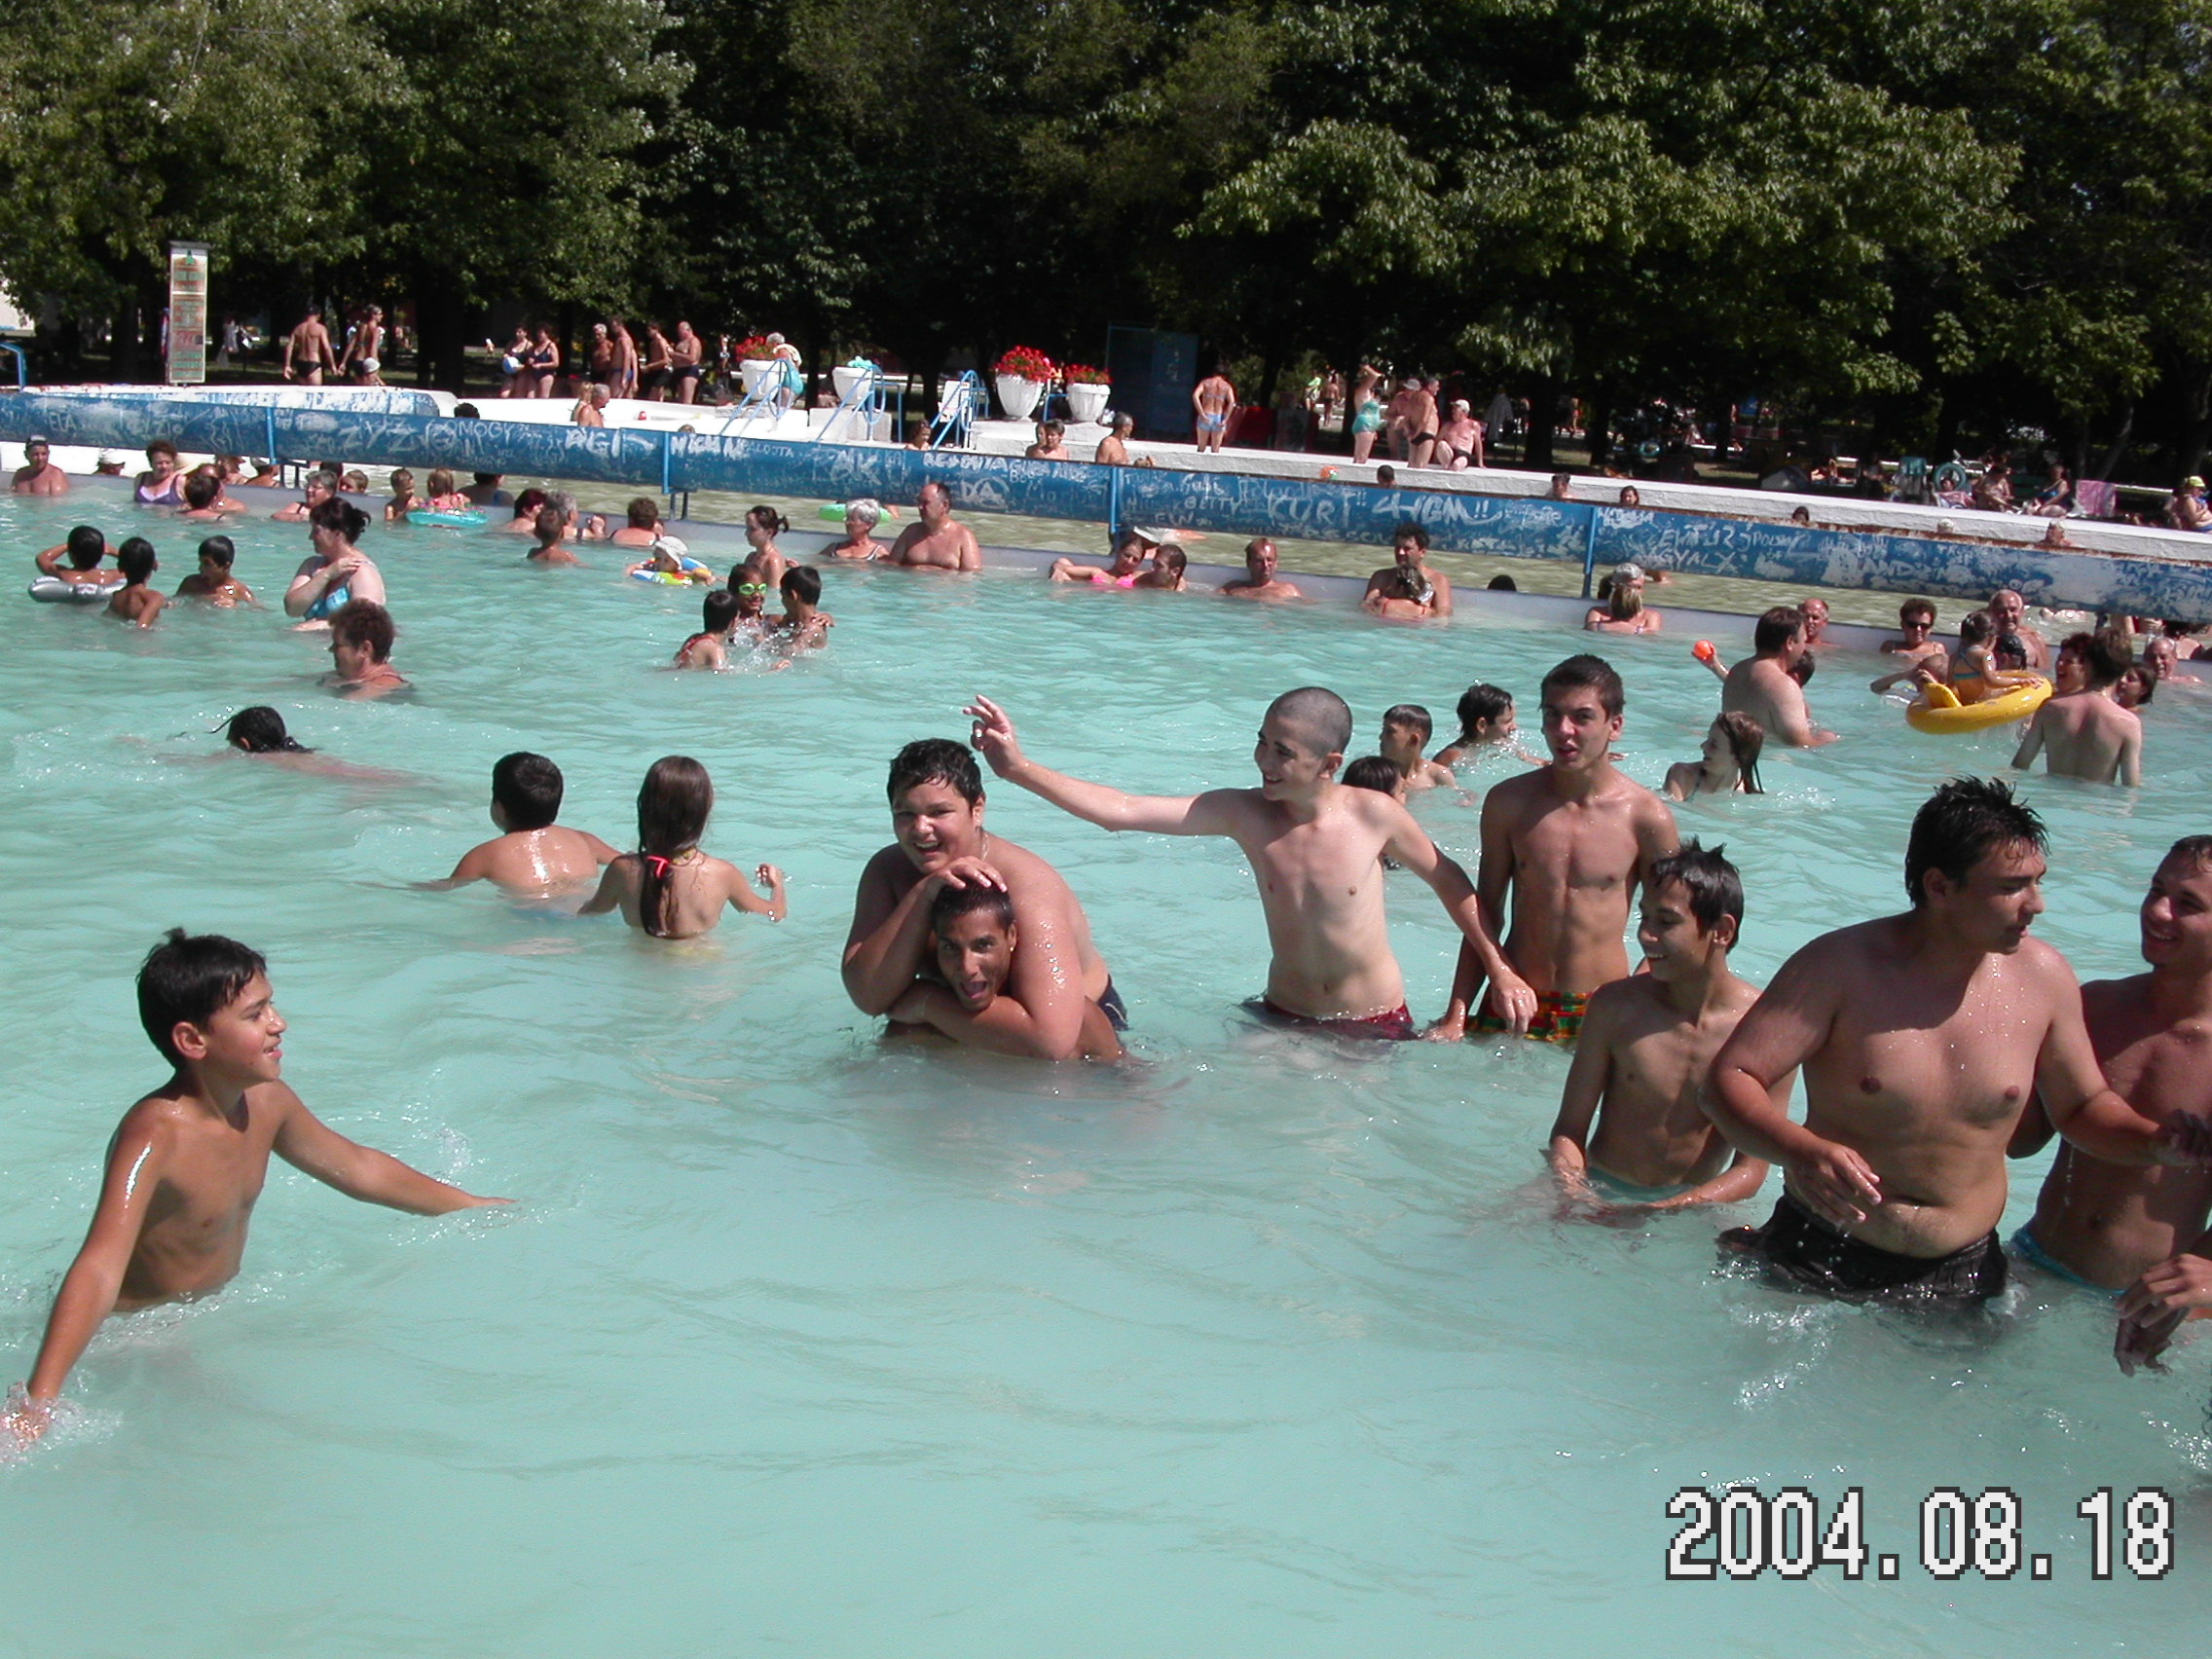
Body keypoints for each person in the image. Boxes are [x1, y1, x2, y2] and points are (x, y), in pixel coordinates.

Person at [1705, 779, 2212, 1309]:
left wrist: (2152, 1142)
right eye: (2013, 887)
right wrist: (1798, 1150)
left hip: (1962, 1273)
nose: (2036, 905)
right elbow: (1729, 1080)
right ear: (1940, 887)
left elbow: (2081, 1107)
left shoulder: (2044, 978)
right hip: (1819, 1250)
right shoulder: (1839, 968)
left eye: (2037, 883)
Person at [0, 930, 507, 1446]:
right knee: (227, 1433)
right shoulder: (155, 1134)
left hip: (202, 1312)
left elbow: (358, 1169)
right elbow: (100, 1266)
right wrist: (39, 1401)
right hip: (133, 1330)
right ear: (193, 1040)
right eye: (254, 1014)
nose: (277, 1023)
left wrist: (473, 1207)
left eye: (271, 1005)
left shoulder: (266, 1101)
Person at [964, 689, 1532, 1038]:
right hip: (1280, 1014)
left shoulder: (1374, 815)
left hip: (1373, 1022)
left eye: (1283, 752)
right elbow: (1122, 810)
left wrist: (1498, 973)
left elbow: (1450, 883)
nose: (1264, 761)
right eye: (1262, 742)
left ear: (1329, 763)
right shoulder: (1245, 813)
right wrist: (1017, 768)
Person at [1996, 842, 2212, 1368]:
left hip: (2144, 1306)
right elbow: (2021, 1143)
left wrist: (2205, 1281)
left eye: (2188, 903)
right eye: (2156, 890)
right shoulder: (2095, 1005)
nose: (2158, 911)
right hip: (2032, 1261)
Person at [1431, 656, 1680, 1044]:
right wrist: (1456, 1015)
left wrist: (1636, 1000)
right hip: (1513, 998)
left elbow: (1674, 924)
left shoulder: (1646, 816)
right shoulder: (1509, 802)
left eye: (1582, 717)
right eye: (1552, 715)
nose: (1563, 731)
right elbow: (1487, 911)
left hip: (1601, 1004)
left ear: (1615, 725)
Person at [844, 739, 1124, 1058]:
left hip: (1077, 1033)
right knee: (899, 1036)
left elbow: (1051, 1041)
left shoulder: (1028, 888)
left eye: (939, 812)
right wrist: (922, 895)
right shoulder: (889, 871)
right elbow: (868, 997)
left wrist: (926, 1001)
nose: (920, 829)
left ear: (977, 810)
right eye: (905, 813)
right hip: (968, 1008)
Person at [1549, 842, 1780, 1215]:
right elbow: (1569, 1130)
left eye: (1666, 922)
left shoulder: (1766, 1028)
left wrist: (1662, 1209)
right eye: (1644, 917)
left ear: (1722, 931)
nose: (1646, 935)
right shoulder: (1614, 1007)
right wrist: (1575, 1193)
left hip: (1691, 1204)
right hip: (1599, 1186)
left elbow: (1751, 1170)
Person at [887, 886, 1124, 1061]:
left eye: (983, 946)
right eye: (951, 947)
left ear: (1011, 936)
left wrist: (927, 1003)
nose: (967, 967)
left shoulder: (1079, 1022)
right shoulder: (918, 1023)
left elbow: (1124, 1087)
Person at [582, 756, 787, 937]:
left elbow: (589, 913)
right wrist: (777, 884)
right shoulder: (722, 873)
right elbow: (774, 914)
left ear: (645, 806)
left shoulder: (622, 869)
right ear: (703, 810)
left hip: (641, 962)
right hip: (704, 964)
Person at [430, 753, 619, 896]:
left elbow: (447, 888)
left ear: (499, 808)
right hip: (586, 907)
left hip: (531, 917)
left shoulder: (484, 855)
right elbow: (628, 862)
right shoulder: (585, 841)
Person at [2010, 629, 2142, 786]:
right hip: (2096, 800)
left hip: (2051, 797)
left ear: (2085, 663)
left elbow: (2019, 765)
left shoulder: (2050, 708)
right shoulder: (2128, 724)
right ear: (2124, 671)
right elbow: (2130, 787)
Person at [1721, 607, 1837, 747]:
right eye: (1803, 641)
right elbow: (1801, 744)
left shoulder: (1738, 670)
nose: (1803, 648)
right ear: (1790, 642)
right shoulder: (1783, 685)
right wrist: (1827, 738)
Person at [285, 498, 386, 624]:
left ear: (337, 533)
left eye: (316, 531)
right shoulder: (311, 565)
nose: (310, 537)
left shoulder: (363, 572)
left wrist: (320, 625)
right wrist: (327, 574)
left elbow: (366, 624)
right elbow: (292, 610)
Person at [1663, 712, 1765, 800]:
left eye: (1714, 745)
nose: (1703, 746)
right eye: (1708, 739)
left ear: (1738, 759)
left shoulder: (1744, 793)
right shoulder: (1683, 775)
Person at [1360, 522, 1453, 617]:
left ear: (1422, 552)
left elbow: (1443, 614)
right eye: (1398, 547)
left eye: (1407, 549)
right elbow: (1367, 606)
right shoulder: (1382, 577)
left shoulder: (1438, 580)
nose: (1400, 552)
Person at [885, 482, 982, 571]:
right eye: (919, 502)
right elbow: (891, 566)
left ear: (944, 505)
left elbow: (972, 575)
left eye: (925, 502)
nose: (920, 507)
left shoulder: (963, 536)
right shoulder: (911, 532)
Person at [324, 599, 408, 699]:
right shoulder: (347, 676)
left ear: (364, 649)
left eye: (338, 645)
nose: (331, 649)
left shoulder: (383, 686)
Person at [1433, 684, 1522, 768]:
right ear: (1482, 725)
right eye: (1507, 721)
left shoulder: (1502, 743)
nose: (1514, 727)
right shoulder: (1451, 758)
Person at [1378, 704, 1455, 792]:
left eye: (1390, 731)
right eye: (1383, 730)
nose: (1381, 737)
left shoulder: (1437, 776)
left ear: (1413, 740)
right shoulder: (1374, 775)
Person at [33, 524, 120, 591]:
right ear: (102, 554)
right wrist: (114, 551)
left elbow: (42, 558)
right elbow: (128, 561)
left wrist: (68, 545)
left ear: (71, 554)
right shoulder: (114, 576)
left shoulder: (65, 575)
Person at [172, 535, 254, 606]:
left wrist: (236, 607)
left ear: (226, 567)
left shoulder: (237, 592)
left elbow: (256, 610)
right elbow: (175, 601)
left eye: (207, 564)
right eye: (200, 562)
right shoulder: (191, 584)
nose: (200, 568)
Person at [675, 590, 744, 671]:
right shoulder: (716, 650)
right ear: (733, 621)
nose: (740, 621)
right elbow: (719, 676)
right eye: (739, 617)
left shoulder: (693, 639)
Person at [1983, 588, 2049, 671]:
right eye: (2002, 611)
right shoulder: (1983, 640)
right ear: (1991, 612)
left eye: (2013, 610)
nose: (2008, 615)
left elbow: (2044, 672)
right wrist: (1989, 658)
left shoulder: (2034, 639)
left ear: (2022, 611)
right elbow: (1981, 661)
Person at [1584, 563, 1661, 635]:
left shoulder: (1650, 617)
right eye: (1628, 587)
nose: (1633, 591)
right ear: (1615, 587)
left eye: (1638, 587)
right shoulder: (1597, 613)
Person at [104, 538, 166, 627]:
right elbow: (141, 627)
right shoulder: (154, 598)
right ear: (154, 565)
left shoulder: (116, 596)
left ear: (119, 567)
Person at [1219, 536, 1303, 601]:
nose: (1265, 565)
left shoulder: (1288, 591)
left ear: (1276, 562)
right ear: (1248, 563)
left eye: (1269, 560)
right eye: (1259, 561)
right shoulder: (1232, 588)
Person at [1878, 597, 1948, 673]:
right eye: (1912, 625)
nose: (1918, 629)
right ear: (1903, 625)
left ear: (1930, 628)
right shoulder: (1890, 647)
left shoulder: (1937, 649)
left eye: (1924, 626)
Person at [1049, 535, 1145, 587]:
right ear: (1118, 552)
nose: (1129, 561)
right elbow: (1061, 565)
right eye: (1126, 555)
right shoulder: (1097, 572)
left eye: (1135, 559)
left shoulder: (1137, 577)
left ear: (1139, 563)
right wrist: (1058, 570)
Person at [773, 566, 832, 648]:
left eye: (783, 595)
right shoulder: (797, 622)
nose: (782, 601)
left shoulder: (813, 629)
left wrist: (760, 639)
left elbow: (789, 652)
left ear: (793, 596)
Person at [1383, 376, 1438, 467]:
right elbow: (1424, 420)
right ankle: (1395, 456)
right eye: (1436, 386)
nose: (1438, 388)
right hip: (1425, 432)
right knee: (1421, 466)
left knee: (1412, 466)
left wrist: (1410, 432)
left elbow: (1407, 417)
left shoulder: (1413, 399)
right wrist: (1416, 434)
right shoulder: (1428, 398)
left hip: (1414, 432)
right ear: (1430, 386)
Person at [738, 505, 793, 585]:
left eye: (752, 529)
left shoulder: (773, 562)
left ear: (769, 532)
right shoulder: (751, 557)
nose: (746, 533)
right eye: (747, 528)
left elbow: (775, 592)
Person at [1364, 563, 1436, 621]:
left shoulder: (1384, 604)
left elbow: (1368, 604)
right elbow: (1437, 615)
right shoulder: (1424, 611)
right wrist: (1426, 600)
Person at [282, 308, 337, 384]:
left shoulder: (298, 328)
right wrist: (332, 365)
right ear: (318, 315)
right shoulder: (320, 328)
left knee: (303, 391)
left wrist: (287, 365)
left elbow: (289, 347)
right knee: (315, 390)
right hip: (314, 362)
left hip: (300, 363)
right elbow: (326, 347)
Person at [271, 468, 339, 524]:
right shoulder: (298, 507)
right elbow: (275, 516)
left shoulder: (335, 511)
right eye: (307, 486)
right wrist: (302, 518)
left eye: (315, 487)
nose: (309, 490)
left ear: (329, 493)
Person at [1193, 367, 1235, 452]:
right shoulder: (1227, 386)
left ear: (1214, 373)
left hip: (1206, 414)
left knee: (1201, 449)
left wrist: (1201, 414)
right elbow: (1232, 402)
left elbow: (1195, 395)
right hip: (1219, 417)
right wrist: (1225, 419)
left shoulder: (1205, 383)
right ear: (1224, 376)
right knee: (1215, 450)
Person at [340, 305, 385, 385]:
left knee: (361, 388)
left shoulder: (361, 327)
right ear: (373, 315)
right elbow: (373, 349)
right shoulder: (375, 330)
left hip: (358, 360)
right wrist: (375, 364)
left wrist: (343, 362)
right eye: (380, 314)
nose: (382, 316)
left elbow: (351, 345)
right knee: (370, 390)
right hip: (369, 360)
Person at [1435, 400, 1485, 469]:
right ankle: (1447, 466)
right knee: (1441, 444)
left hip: (1463, 454)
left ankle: (1452, 467)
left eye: (1456, 409)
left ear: (1464, 412)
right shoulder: (1447, 425)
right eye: (1453, 408)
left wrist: (1480, 462)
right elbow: (1437, 441)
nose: (1453, 411)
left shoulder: (1473, 425)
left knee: (1456, 465)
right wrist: (1435, 459)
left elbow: (1478, 444)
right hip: (1449, 453)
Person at [134, 440, 185, 505]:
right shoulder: (141, 478)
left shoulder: (181, 481)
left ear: (173, 463)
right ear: (151, 463)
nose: (164, 466)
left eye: (167, 462)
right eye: (159, 463)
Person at [669, 320, 705, 404]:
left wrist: (676, 354)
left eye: (680, 331)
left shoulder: (693, 341)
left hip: (689, 371)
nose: (679, 334)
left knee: (686, 400)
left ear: (687, 330)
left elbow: (692, 358)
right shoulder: (681, 342)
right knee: (680, 400)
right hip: (678, 370)